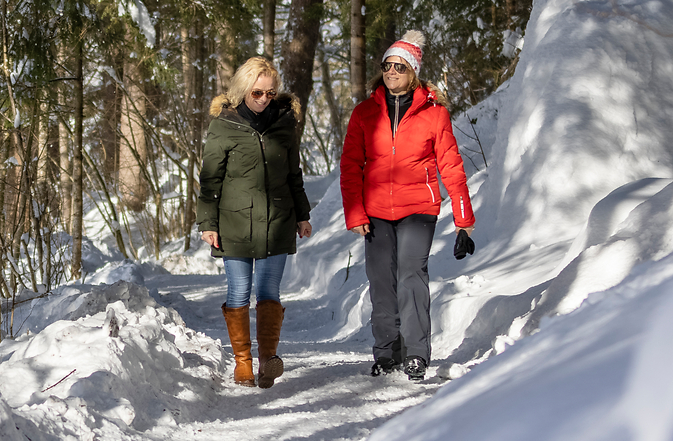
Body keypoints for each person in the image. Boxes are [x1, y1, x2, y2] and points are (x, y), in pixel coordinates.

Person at [340, 29, 476, 382]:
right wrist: (355, 212)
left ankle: (416, 353)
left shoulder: (435, 115)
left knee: (411, 277)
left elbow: (451, 165)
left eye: (400, 67)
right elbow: (350, 166)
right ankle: (387, 352)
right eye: (387, 66)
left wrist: (463, 219)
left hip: (419, 209)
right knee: (382, 282)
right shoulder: (364, 113)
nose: (392, 72)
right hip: (375, 213)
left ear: (413, 71)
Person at [195, 56, 313, 389]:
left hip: (278, 219)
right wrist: (208, 222)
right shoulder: (224, 125)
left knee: (268, 292)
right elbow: (210, 179)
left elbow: (294, 174)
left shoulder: (285, 124)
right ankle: (243, 363)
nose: (264, 100)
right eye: (257, 93)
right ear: (244, 90)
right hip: (234, 223)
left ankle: (267, 362)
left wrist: (302, 215)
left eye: (270, 94)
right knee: (239, 292)